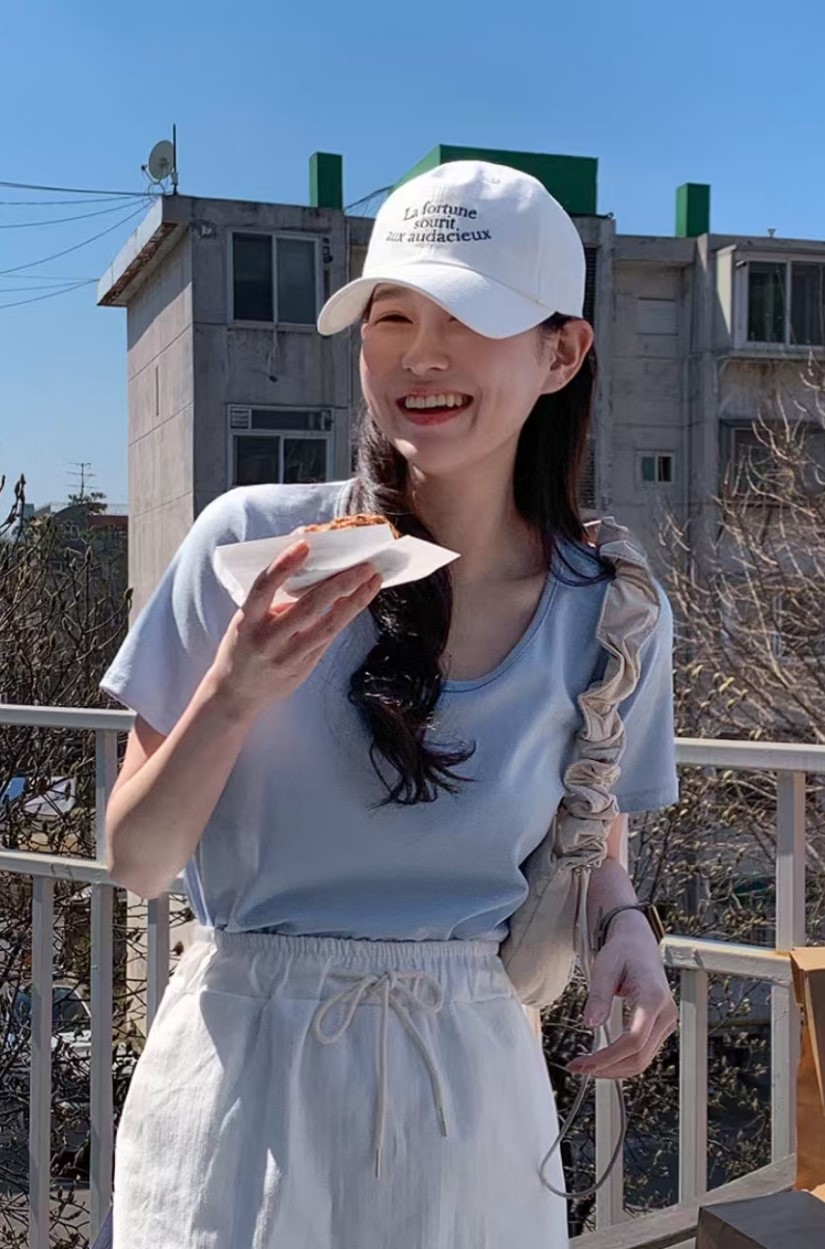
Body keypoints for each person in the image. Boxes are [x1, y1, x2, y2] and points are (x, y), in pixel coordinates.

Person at [96, 159, 680, 1249]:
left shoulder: (609, 610)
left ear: (562, 353)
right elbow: (137, 858)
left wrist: (627, 928)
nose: (422, 355)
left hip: (468, 1083)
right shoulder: (249, 549)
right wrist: (234, 689)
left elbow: (596, 834)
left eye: (468, 318)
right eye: (392, 316)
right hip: (244, 1069)